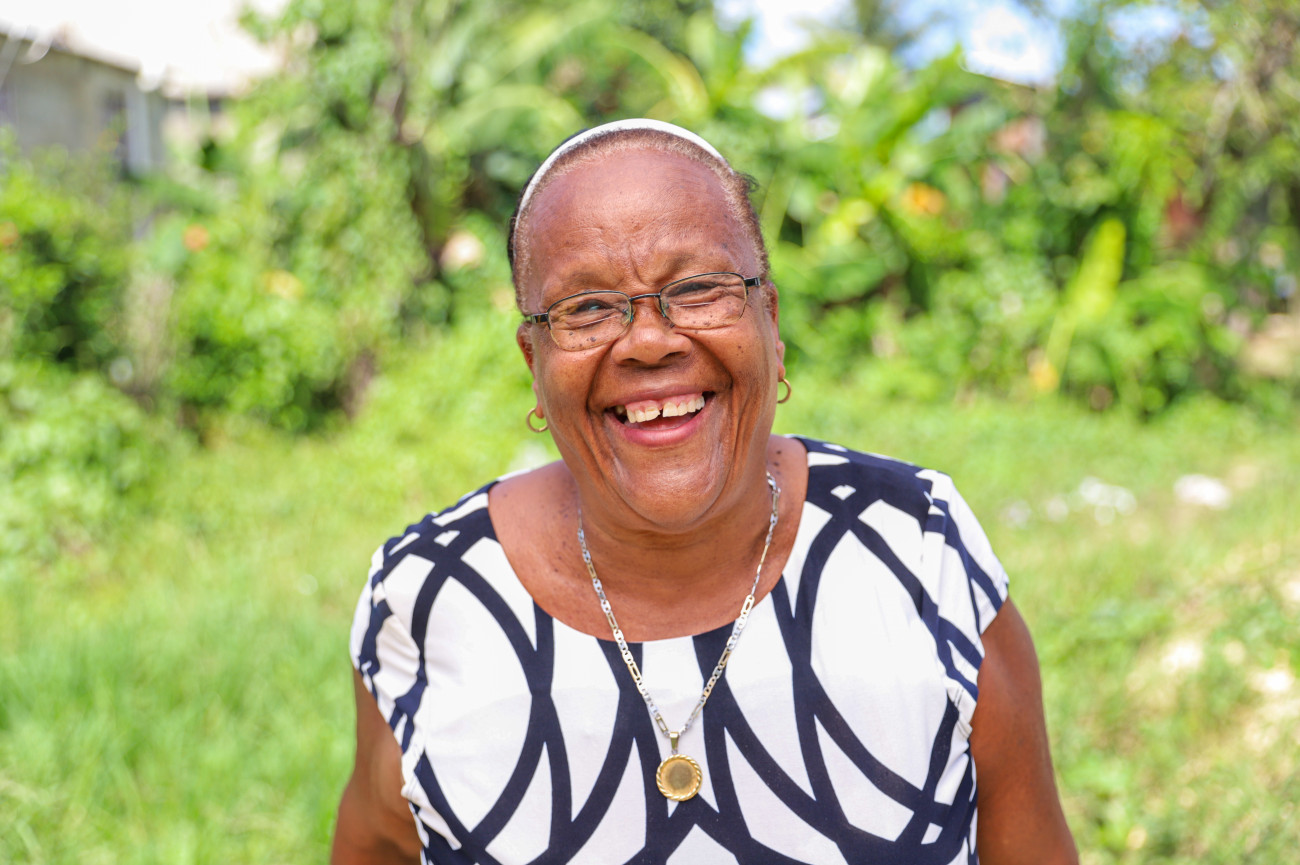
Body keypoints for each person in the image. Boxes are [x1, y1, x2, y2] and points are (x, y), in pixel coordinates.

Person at [332, 119, 1078, 864]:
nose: (649, 341)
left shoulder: (915, 544)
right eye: (586, 308)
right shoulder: (428, 597)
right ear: (535, 362)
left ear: (771, 324)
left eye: (697, 290)